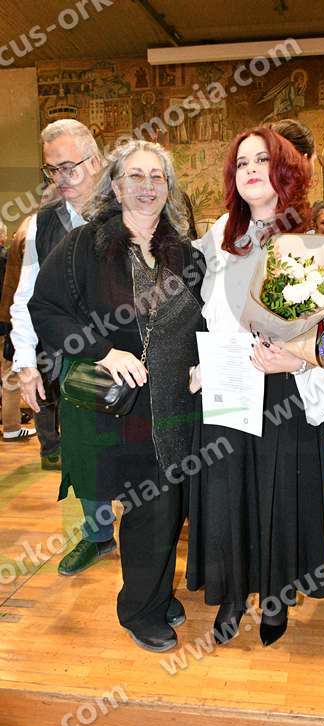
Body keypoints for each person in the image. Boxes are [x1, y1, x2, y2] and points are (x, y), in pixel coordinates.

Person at [29, 139, 204, 652]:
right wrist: (102, 351)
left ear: (168, 187)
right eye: (135, 176)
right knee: (147, 505)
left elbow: (202, 320)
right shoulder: (85, 245)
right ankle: (140, 609)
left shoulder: (184, 252)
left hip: (177, 402)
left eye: (157, 177)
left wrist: (202, 362)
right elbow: (46, 309)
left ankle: (155, 592)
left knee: (169, 505)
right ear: (116, 186)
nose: (147, 186)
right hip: (121, 407)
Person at [186, 127, 324, 646]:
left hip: (285, 386)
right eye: (242, 162)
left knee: (280, 491)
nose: (250, 169)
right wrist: (200, 362)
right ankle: (232, 593)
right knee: (228, 487)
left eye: (262, 160)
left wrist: (299, 359)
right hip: (230, 379)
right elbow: (199, 309)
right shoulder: (218, 235)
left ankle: (275, 596)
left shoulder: (313, 239)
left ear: (285, 170)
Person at [9, 119, 122, 577]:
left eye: (69, 167)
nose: (61, 179)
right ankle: (97, 535)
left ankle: (151, 534)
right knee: (82, 449)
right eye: (52, 170)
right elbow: (26, 296)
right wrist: (25, 364)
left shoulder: (129, 204)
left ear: (95, 162)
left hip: (132, 349)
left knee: (140, 446)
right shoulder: (43, 223)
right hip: (75, 356)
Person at [0, 219, 36, 441]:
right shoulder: (7, 258)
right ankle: (12, 426)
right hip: (14, 318)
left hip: (8, 316)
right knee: (11, 375)